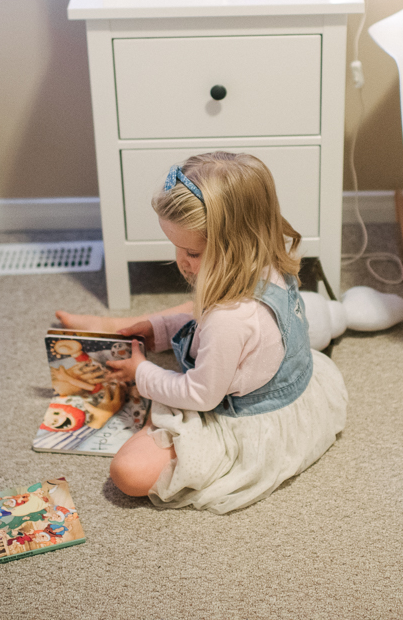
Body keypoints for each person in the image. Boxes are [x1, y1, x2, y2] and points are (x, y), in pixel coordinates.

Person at [63, 152, 348, 514]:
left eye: (192, 252)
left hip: (245, 420)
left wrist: (143, 374)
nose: (181, 261)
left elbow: (201, 396)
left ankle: (154, 419)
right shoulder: (265, 262)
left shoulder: (229, 318)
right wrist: (161, 329)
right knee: (189, 318)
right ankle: (137, 333)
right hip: (291, 386)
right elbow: (211, 323)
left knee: (127, 473)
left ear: (237, 246)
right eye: (177, 246)